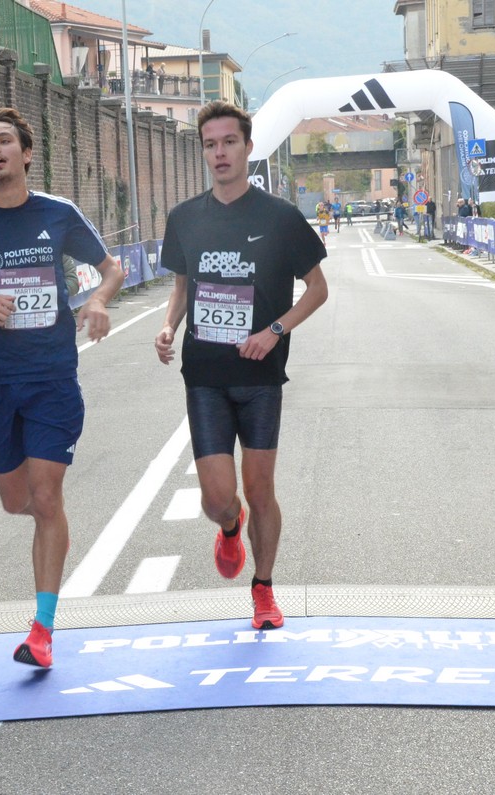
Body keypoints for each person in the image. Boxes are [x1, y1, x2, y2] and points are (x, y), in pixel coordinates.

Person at [0, 107, 123, 668]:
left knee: (47, 497)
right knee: (19, 502)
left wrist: (99, 301)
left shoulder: (58, 213)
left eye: (4, 140)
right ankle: (42, 554)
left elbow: (112, 268)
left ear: (27, 153)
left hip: (53, 375)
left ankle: (43, 629)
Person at [154, 101, 328, 631]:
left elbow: (317, 291)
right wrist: (168, 327)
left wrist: (274, 331)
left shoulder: (279, 217)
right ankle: (231, 528)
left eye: (229, 142)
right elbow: (182, 287)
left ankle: (264, 589)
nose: (220, 152)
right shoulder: (185, 218)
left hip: (260, 378)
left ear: (248, 148)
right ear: (203, 151)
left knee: (260, 489)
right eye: (210, 144)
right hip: (204, 376)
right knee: (218, 499)